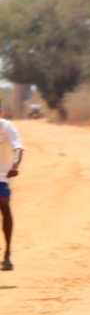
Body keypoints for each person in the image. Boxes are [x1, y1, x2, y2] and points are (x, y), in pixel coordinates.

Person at [0, 115, 26, 271]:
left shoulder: (6, 126)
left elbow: (18, 148)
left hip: (2, 175)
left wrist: (14, 166)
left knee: (3, 203)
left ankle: (7, 253)